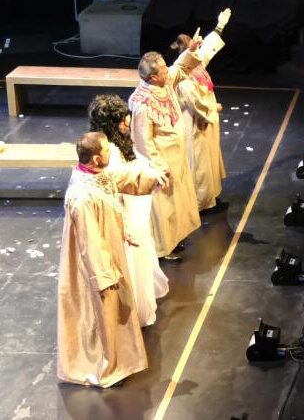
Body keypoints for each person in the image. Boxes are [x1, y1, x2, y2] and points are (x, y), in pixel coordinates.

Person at [57, 132, 167, 388]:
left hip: (110, 251)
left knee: (116, 309)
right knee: (100, 311)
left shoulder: (97, 175)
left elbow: (122, 178)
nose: (111, 154)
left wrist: (153, 179)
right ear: (96, 158)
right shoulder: (82, 197)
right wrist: (104, 275)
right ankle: (104, 366)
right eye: (107, 151)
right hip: (95, 266)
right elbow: (90, 242)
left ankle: (120, 359)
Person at [88, 94, 169, 328]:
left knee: (142, 253)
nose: (127, 123)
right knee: (132, 258)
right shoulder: (109, 152)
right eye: (123, 120)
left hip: (136, 208)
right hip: (125, 210)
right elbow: (119, 182)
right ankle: (132, 310)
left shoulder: (119, 142)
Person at [128, 30, 208, 261]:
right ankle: (163, 248)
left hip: (177, 155)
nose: (167, 70)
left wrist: (191, 50)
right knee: (164, 205)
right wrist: (159, 166)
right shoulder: (142, 103)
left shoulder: (165, 82)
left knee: (179, 200)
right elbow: (143, 140)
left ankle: (176, 236)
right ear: (153, 77)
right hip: (163, 161)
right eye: (163, 69)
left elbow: (180, 67)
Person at [172, 18, 229, 212]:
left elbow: (208, 50)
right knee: (199, 162)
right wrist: (214, 108)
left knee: (208, 157)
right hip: (196, 123)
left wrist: (219, 27)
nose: (199, 53)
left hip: (205, 121)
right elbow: (196, 104)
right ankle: (200, 202)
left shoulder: (195, 66)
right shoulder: (184, 79)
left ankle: (210, 195)